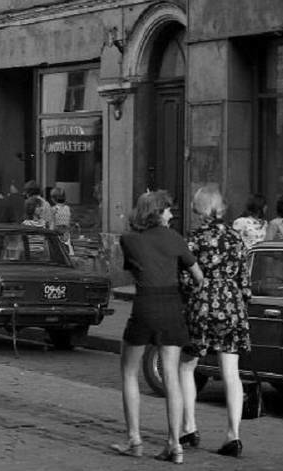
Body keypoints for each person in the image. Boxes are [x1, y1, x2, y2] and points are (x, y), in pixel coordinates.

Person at [112, 189, 204, 464]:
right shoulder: (175, 238)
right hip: (171, 306)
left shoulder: (129, 239)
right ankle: (175, 444)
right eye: (168, 210)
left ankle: (134, 439)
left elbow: (133, 268)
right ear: (157, 212)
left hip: (144, 305)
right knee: (172, 376)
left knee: (129, 372)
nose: (172, 214)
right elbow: (199, 277)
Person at [178, 185, 251, 459]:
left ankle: (189, 427)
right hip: (232, 304)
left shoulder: (195, 238)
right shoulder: (235, 237)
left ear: (200, 210)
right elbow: (245, 279)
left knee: (187, 366)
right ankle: (233, 435)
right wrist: (240, 300)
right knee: (231, 372)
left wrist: (189, 295)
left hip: (203, 303)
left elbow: (185, 276)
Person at [50, 187, 74, 254]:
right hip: (66, 234)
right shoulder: (68, 208)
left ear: (53, 199)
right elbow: (69, 222)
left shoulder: (53, 209)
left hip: (56, 235)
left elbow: (51, 224)